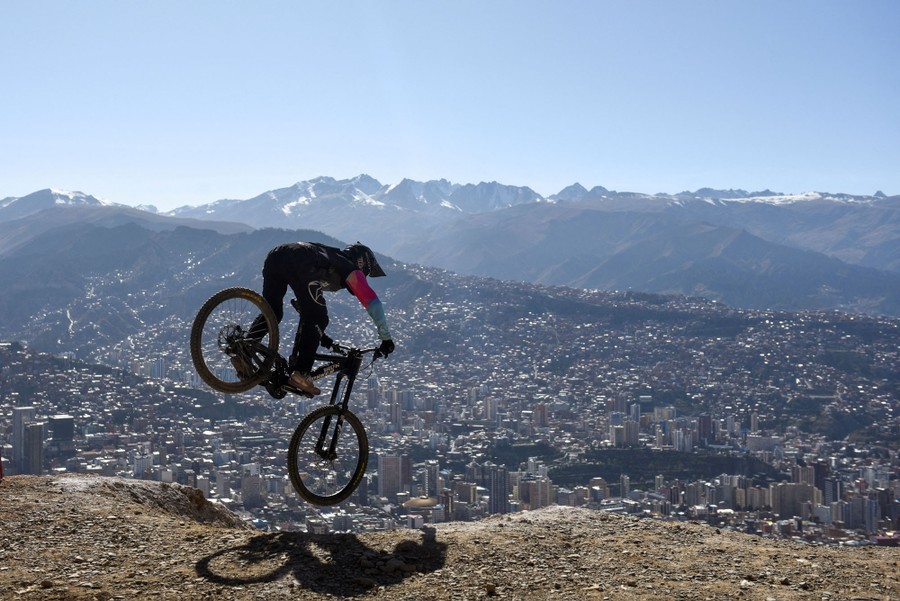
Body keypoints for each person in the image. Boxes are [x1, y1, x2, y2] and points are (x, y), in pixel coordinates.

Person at [239, 241, 394, 395]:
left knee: (273, 313)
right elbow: (373, 303)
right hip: (300, 260)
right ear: (363, 263)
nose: (364, 276)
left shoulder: (331, 261)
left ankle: (243, 350)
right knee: (320, 318)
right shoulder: (349, 267)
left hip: (276, 256)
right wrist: (386, 338)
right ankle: (301, 374)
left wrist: (321, 336)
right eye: (366, 273)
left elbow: (308, 308)